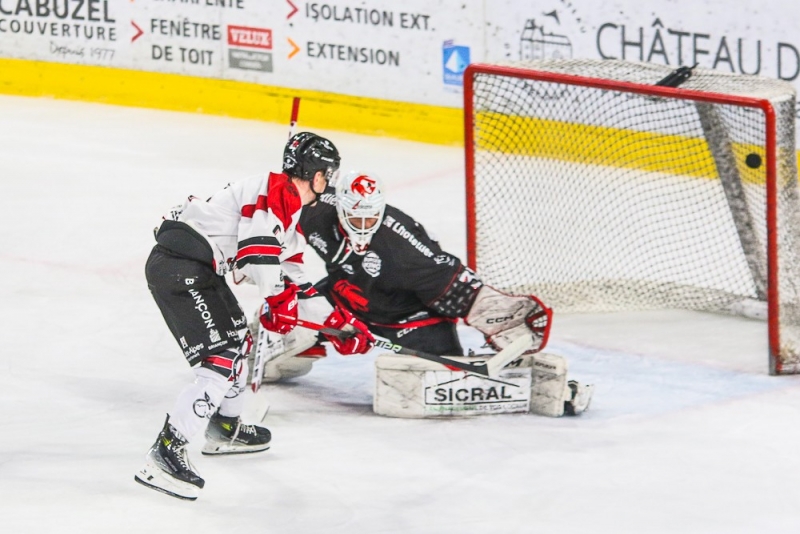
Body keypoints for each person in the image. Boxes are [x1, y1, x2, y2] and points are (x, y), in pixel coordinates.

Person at [135, 132, 372, 501]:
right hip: (181, 268)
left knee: (239, 343)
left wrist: (338, 324)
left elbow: (295, 276)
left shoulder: (288, 209)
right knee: (221, 359)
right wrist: (279, 300)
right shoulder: (279, 191)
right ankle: (166, 451)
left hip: (198, 270)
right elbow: (257, 254)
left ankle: (225, 427)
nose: (329, 181)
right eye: (328, 173)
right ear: (316, 175)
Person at [262, 170, 592, 416]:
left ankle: (551, 391)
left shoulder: (402, 246)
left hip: (410, 317)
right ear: (340, 208)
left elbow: (454, 284)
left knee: (442, 382)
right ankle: (281, 356)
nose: (363, 225)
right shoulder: (315, 210)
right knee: (276, 333)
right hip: (347, 299)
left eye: (371, 217)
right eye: (355, 217)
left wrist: (498, 312)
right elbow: (272, 213)